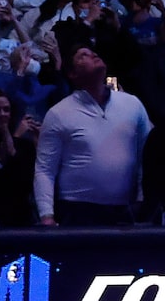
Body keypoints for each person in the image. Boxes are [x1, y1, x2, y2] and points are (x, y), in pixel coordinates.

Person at [34, 45, 151, 225]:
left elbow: (147, 155)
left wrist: (143, 197)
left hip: (124, 209)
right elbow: (45, 169)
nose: (94, 55)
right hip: (76, 209)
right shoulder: (59, 113)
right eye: (83, 55)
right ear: (72, 74)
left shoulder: (132, 104)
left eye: (93, 52)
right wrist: (46, 215)